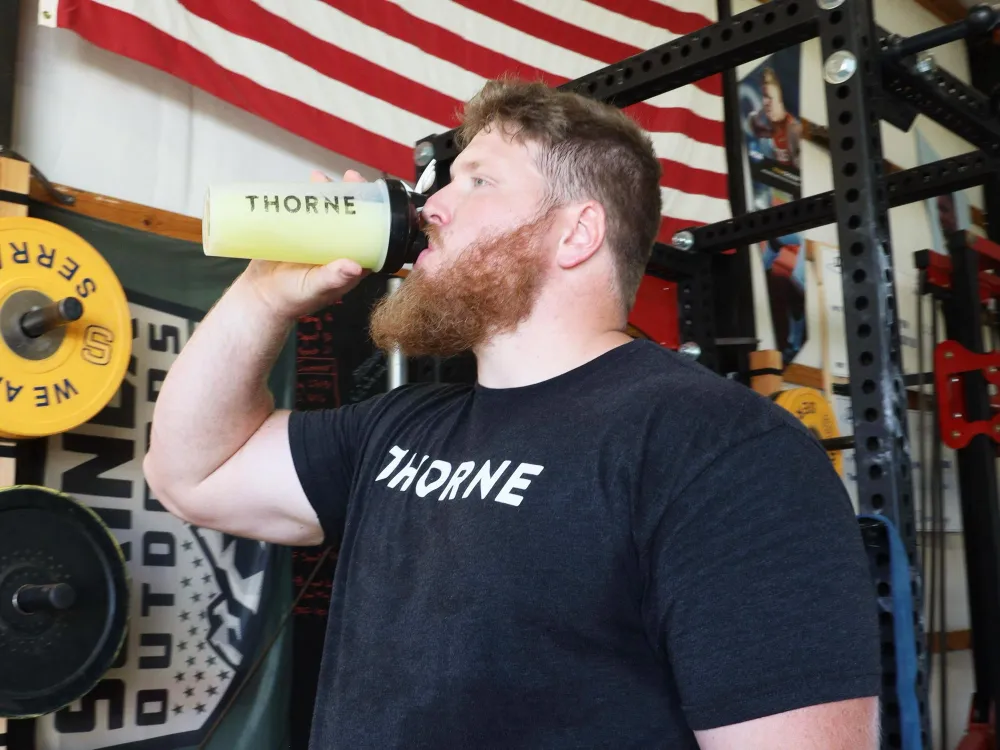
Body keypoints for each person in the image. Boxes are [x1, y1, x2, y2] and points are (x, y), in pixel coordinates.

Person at [145, 78, 882, 749]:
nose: (431, 205)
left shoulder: (722, 448)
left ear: (576, 234)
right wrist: (264, 294)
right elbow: (192, 473)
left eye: (478, 180)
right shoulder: (402, 426)